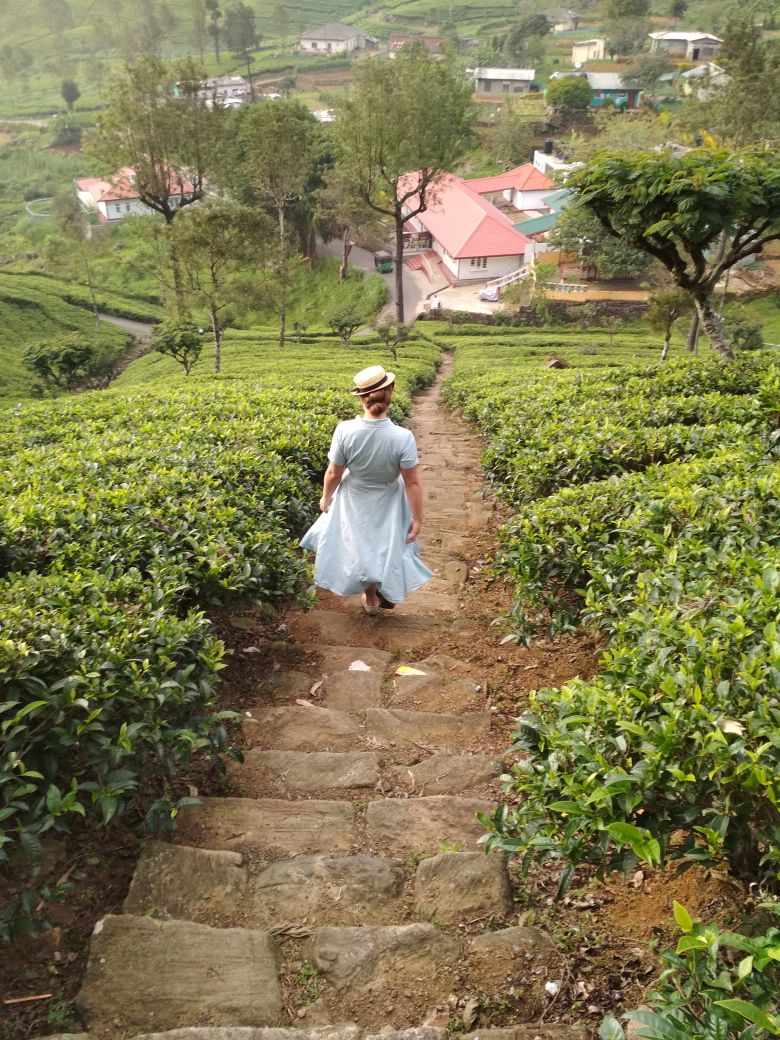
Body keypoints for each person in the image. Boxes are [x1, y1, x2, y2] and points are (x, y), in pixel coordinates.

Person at [300, 365, 434, 614]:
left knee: (359, 544)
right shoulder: (402, 436)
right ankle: (378, 590)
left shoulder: (345, 430)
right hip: (389, 498)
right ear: (390, 392)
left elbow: (333, 473)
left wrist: (325, 497)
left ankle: (370, 596)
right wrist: (417, 518)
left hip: (353, 496)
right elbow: (413, 482)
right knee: (383, 544)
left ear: (361, 398)